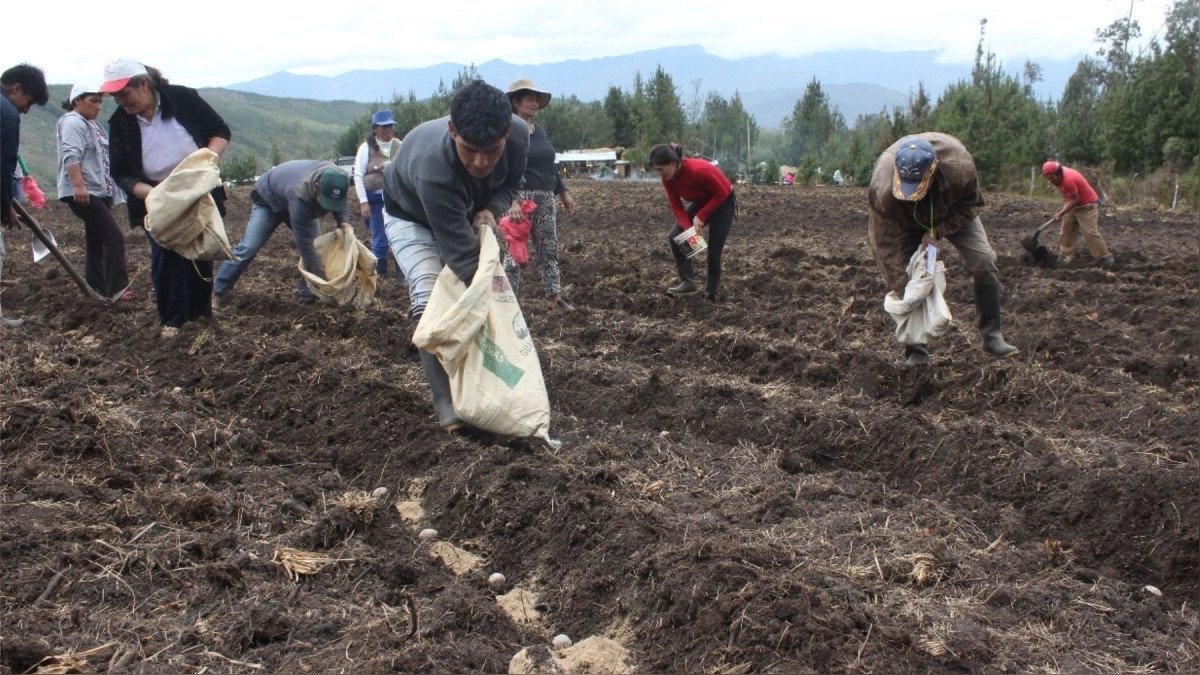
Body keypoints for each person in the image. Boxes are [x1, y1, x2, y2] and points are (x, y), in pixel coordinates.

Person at [381, 79, 530, 431]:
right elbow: (464, 261)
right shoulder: (432, 166)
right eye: (469, 150)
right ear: (452, 131)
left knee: (481, 291)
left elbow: (510, 183)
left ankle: (486, 380)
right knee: (431, 291)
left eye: (491, 150)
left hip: (463, 206)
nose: (480, 162)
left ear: (507, 133)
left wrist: (490, 208)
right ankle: (445, 400)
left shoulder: (520, 135)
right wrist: (495, 306)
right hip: (410, 213)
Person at [102, 59, 231, 339]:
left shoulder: (183, 99)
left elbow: (220, 131)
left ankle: (200, 317)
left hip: (197, 190)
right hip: (155, 196)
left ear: (144, 84)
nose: (120, 101)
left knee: (200, 251)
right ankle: (172, 321)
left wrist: (206, 163)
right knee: (166, 255)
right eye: (115, 96)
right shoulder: (120, 122)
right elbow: (120, 172)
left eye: (124, 93)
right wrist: (153, 194)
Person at [867, 133, 1019, 366]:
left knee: (984, 262)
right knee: (905, 278)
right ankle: (916, 351)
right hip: (905, 222)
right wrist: (899, 280)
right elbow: (883, 244)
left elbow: (972, 204)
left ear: (934, 173)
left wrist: (938, 230)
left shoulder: (960, 168)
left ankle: (991, 335)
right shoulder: (883, 190)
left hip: (952, 210)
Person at [213, 160, 350, 305]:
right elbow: (305, 244)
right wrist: (319, 276)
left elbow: (339, 200)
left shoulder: (338, 179)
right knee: (249, 246)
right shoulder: (299, 193)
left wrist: (344, 221)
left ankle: (308, 296)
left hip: (292, 196)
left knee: (317, 248)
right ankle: (217, 291)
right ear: (316, 187)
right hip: (268, 199)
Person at [502, 79, 577, 313]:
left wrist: (562, 192)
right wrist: (510, 200)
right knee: (514, 251)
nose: (535, 103)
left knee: (548, 248)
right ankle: (507, 303)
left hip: (545, 198)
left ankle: (555, 298)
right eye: (529, 99)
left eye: (537, 99)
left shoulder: (539, 131)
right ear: (515, 102)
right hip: (519, 198)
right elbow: (502, 167)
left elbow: (549, 166)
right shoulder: (508, 132)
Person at [56, 82, 134, 302]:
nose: (98, 106)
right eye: (93, 101)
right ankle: (117, 289)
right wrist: (78, 185)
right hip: (84, 190)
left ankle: (96, 290)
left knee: (97, 239)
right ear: (76, 101)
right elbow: (71, 154)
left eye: (100, 101)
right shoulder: (73, 122)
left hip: (99, 189)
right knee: (113, 236)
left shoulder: (91, 124)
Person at [648, 143, 735, 301]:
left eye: (660, 169)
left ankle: (710, 294)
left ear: (673, 163)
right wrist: (690, 231)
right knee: (675, 236)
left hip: (723, 201)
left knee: (714, 250)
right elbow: (676, 206)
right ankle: (688, 282)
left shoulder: (698, 170)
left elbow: (722, 193)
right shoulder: (668, 178)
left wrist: (700, 216)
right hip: (703, 200)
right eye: (656, 170)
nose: (659, 174)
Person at [1, 64, 49, 328]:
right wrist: (5, 202)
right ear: (16, 89)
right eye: (27, 102)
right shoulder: (7, 112)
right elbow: (5, 163)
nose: (25, 110)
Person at [353, 110, 403, 281]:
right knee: (380, 239)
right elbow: (358, 176)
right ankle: (380, 276)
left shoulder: (399, 145)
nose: (388, 130)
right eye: (384, 127)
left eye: (391, 126)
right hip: (375, 200)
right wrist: (363, 202)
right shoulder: (366, 148)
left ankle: (401, 274)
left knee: (399, 236)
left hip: (396, 200)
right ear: (375, 129)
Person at [1041, 161, 1114, 267]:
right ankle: (1065, 255)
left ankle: (1105, 258)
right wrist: (1064, 210)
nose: (1051, 181)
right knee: (1066, 231)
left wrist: (1060, 213)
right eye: (1048, 178)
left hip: (1087, 206)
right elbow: (1071, 199)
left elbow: (1075, 199)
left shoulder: (1068, 180)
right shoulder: (1059, 177)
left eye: (1052, 178)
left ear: (1058, 173)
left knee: (1090, 233)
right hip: (1072, 205)